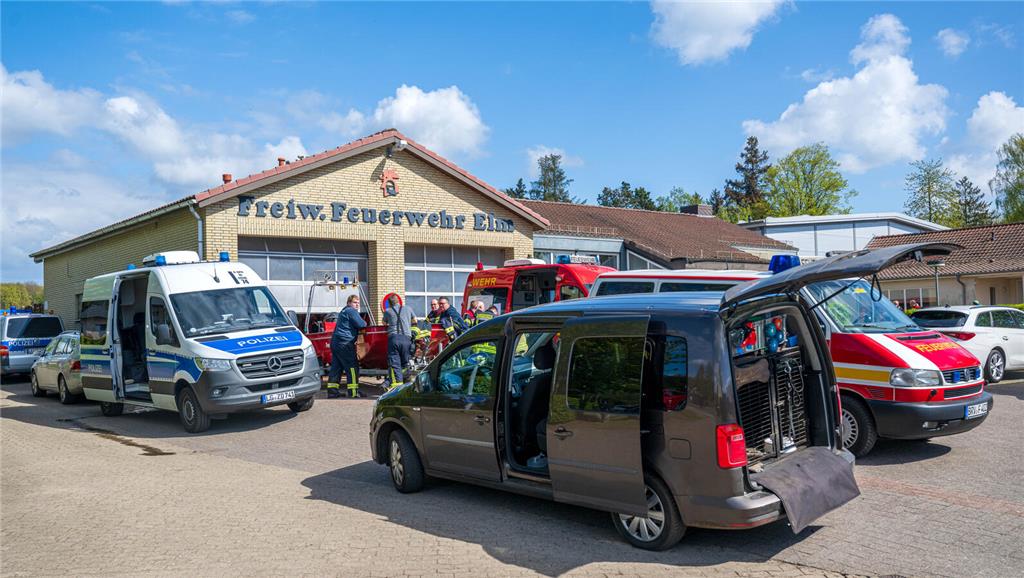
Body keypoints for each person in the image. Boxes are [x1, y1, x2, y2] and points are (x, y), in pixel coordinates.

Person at [327, 294, 366, 398]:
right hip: (345, 343)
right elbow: (362, 324)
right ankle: (353, 392)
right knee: (352, 367)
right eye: (354, 302)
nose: (357, 305)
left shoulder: (343, 311)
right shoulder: (351, 311)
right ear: (349, 303)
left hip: (336, 343)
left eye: (358, 303)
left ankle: (332, 392)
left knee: (336, 367)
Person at [383, 294, 416, 390]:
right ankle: (407, 385)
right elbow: (415, 320)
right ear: (399, 301)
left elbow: (384, 323)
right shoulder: (408, 308)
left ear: (389, 303)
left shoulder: (388, 311)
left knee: (394, 363)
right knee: (406, 363)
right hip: (407, 339)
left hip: (394, 339)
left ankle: (395, 387)